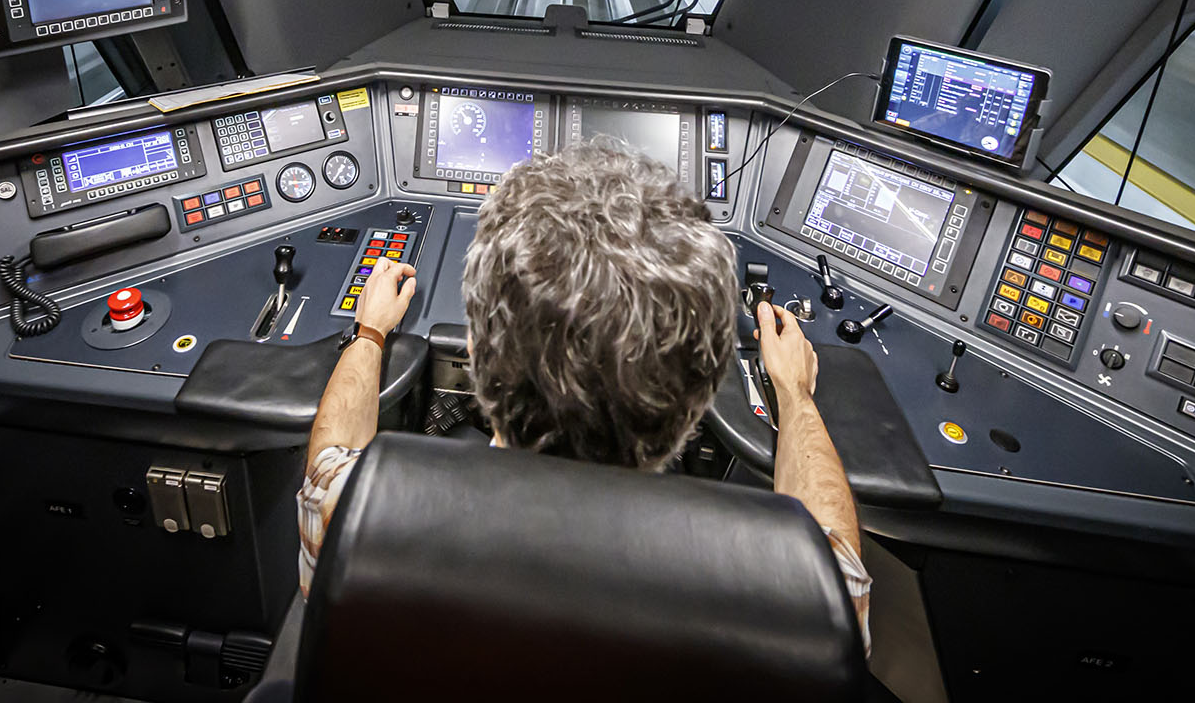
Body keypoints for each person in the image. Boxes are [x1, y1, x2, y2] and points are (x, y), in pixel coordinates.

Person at [296, 142, 871, 648]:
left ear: (478, 350)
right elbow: (839, 553)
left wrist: (370, 334)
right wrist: (794, 394)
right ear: (699, 393)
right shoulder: (804, 601)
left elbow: (327, 462)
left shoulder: (355, 517)